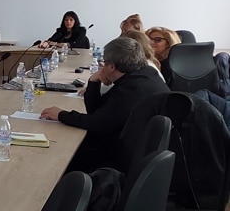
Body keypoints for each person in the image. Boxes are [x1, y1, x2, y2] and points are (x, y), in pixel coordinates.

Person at [40, 37, 169, 172]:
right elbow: (99, 112)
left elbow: (95, 123)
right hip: (140, 152)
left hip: (120, 160)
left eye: (104, 62)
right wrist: (94, 82)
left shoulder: (130, 90)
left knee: (64, 150)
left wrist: (61, 115)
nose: (102, 65)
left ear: (112, 67)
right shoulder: (145, 75)